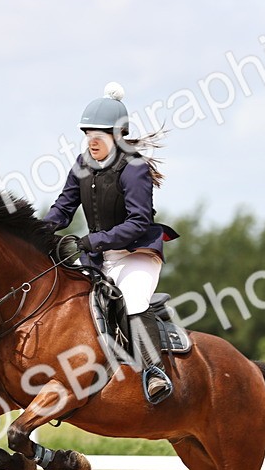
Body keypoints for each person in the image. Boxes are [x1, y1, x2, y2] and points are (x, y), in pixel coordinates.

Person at [43, 82, 179, 404]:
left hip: (136, 254)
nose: (92, 140)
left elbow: (138, 222)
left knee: (131, 301)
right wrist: (36, 230)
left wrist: (95, 240)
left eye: (99, 135)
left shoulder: (134, 169)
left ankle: (153, 371)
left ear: (117, 136)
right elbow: (63, 208)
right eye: (88, 133)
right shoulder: (82, 164)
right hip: (98, 256)